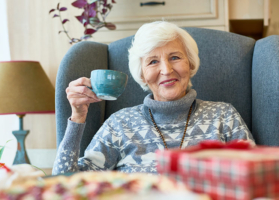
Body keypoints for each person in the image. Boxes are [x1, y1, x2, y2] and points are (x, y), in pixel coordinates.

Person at [52, 21, 255, 175]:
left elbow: (257, 176)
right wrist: (77, 117)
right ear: (141, 74)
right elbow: (64, 184)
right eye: (153, 61)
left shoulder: (223, 116)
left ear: (190, 64)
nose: (166, 70)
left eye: (175, 57)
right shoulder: (119, 124)